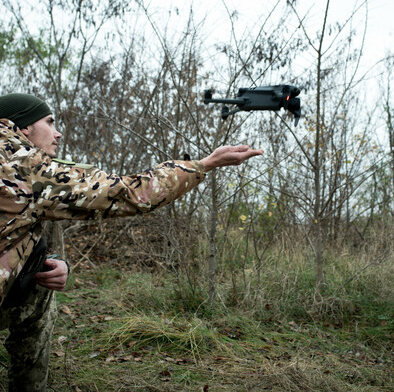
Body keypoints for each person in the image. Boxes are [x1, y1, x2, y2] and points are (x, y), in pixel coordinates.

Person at [0, 92, 263, 391]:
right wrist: (206, 164)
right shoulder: (22, 167)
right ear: (22, 128)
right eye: (49, 122)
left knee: (41, 276)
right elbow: (128, 193)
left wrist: (55, 262)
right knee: (40, 294)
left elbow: (16, 224)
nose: (58, 132)